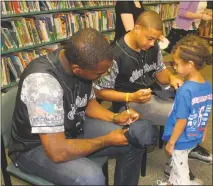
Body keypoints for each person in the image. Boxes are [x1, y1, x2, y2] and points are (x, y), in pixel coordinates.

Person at [8, 28, 158, 185]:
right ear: (77, 69)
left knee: (133, 138)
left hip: (71, 128)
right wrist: (106, 140)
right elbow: (58, 151)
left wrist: (114, 117)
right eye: (99, 74)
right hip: (36, 147)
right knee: (91, 178)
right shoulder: (43, 85)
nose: (103, 76)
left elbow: (86, 103)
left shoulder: (80, 60)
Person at [93, 10, 212, 184]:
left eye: (155, 39)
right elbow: (99, 92)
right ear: (137, 28)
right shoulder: (116, 55)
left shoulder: (152, 46)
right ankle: (179, 161)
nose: (153, 43)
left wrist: (171, 78)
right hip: (130, 102)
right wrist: (130, 96)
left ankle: (180, 155)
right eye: (150, 38)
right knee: (184, 113)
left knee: (192, 101)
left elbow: (159, 72)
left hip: (152, 93)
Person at [157, 34, 212, 185]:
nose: (173, 67)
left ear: (190, 64)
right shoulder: (207, 85)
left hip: (180, 139)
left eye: (176, 64)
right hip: (195, 134)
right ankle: (170, 183)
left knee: (182, 174)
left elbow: (182, 120)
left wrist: (171, 142)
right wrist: (203, 131)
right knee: (177, 166)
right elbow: (205, 110)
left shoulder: (185, 90)